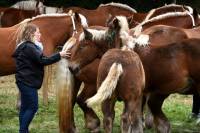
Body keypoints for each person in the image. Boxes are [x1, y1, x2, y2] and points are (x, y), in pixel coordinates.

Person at [12, 23, 70, 133]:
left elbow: (40, 58)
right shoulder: (29, 47)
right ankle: (23, 130)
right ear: (31, 34)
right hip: (27, 82)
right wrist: (59, 55)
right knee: (33, 107)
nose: (40, 34)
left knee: (25, 107)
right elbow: (43, 60)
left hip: (23, 81)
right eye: (38, 32)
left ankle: (23, 130)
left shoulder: (28, 46)